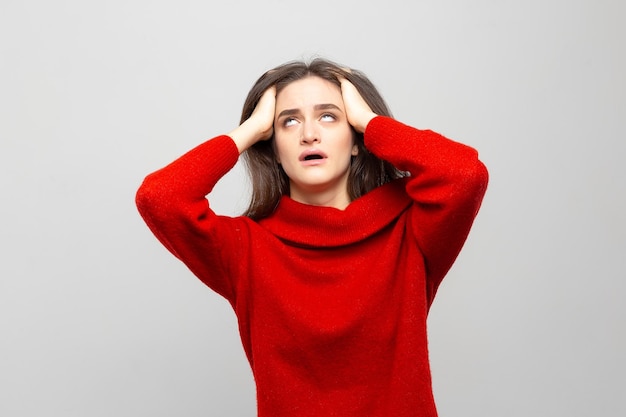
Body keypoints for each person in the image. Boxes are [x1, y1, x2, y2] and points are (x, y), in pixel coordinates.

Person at [135, 57, 489, 417]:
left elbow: (464, 175)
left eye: (329, 116)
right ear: (273, 147)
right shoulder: (246, 249)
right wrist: (252, 128)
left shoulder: (408, 230)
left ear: (356, 140)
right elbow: (160, 198)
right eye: (289, 121)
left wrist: (371, 122)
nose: (309, 134)